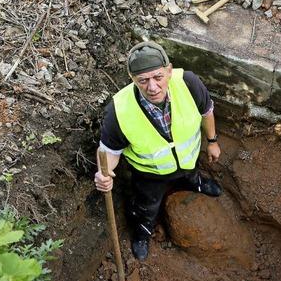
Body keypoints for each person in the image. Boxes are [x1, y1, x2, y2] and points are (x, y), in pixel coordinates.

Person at [94, 41, 222, 261]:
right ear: (132, 79)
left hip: (188, 161)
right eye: (143, 80)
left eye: (158, 77)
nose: (152, 87)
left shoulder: (188, 83)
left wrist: (212, 141)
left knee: (190, 175)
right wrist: (103, 173)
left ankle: (195, 182)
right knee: (147, 206)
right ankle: (143, 231)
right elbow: (108, 151)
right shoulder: (119, 111)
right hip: (150, 175)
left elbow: (207, 111)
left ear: (169, 71)